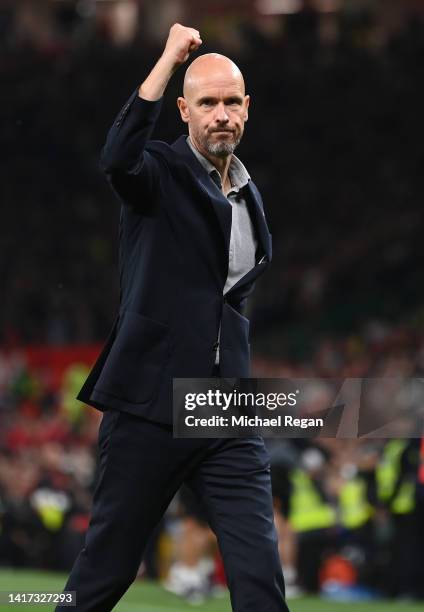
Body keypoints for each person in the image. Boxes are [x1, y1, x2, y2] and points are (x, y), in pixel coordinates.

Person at [56, 23, 289, 612]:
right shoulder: (157, 172)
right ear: (184, 110)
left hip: (228, 408)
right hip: (151, 405)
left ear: (247, 109)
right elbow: (116, 157)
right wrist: (167, 58)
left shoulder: (249, 195)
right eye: (206, 102)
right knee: (104, 576)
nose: (220, 114)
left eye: (231, 101)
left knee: (260, 573)